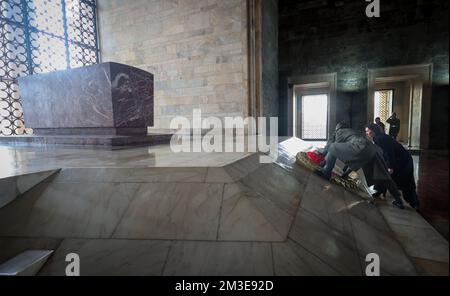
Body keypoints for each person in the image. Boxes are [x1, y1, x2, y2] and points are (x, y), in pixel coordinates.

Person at [314, 121, 405, 209]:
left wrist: (322, 154)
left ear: (338, 128)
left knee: (333, 147)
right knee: (385, 176)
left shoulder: (340, 132)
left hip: (361, 148)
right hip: (374, 150)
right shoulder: (355, 132)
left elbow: (331, 147)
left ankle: (326, 173)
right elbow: (357, 162)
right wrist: (345, 174)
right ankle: (399, 201)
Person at [365, 123, 420, 209]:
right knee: (384, 174)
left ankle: (413, 203)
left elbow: (389, 152)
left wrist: (390, 166)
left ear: (372, 131)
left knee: (405, 182)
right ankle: (380, 190)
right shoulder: (379, 137)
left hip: (402, 161)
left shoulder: (380, 139)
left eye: (367, 131)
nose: (367, 133)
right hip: (401, 159)